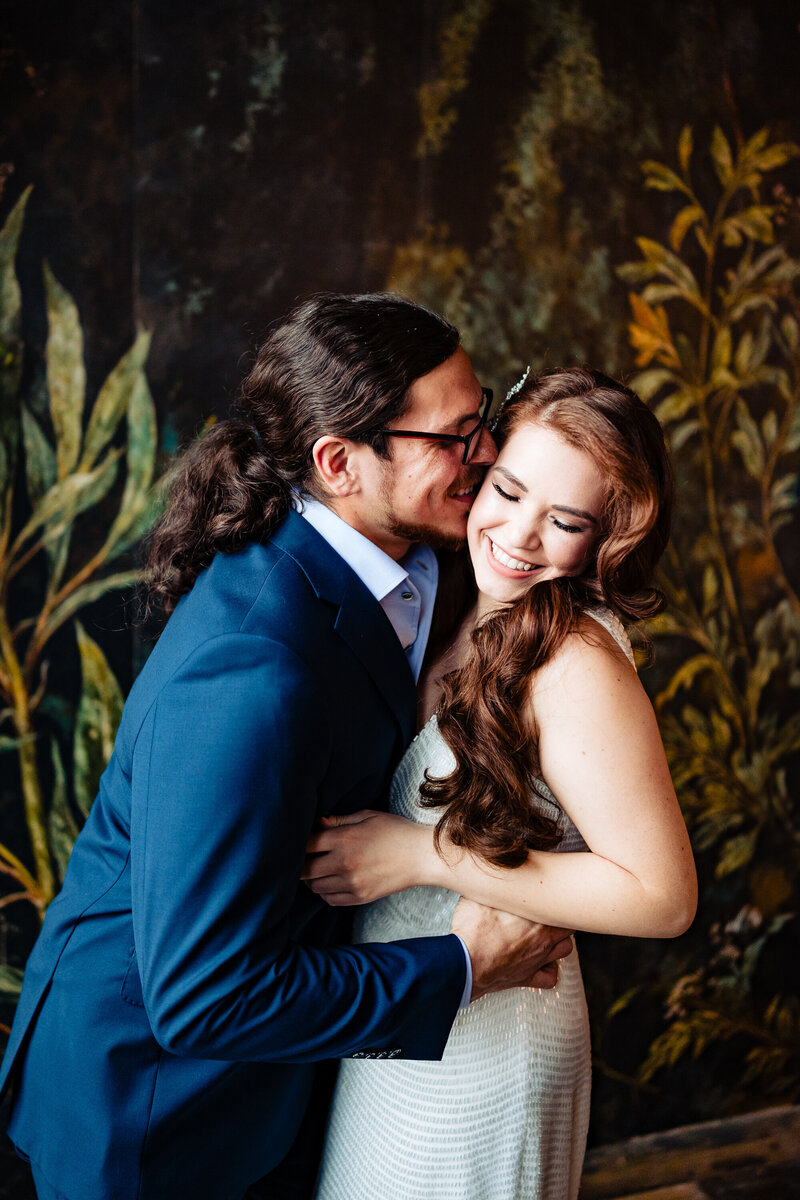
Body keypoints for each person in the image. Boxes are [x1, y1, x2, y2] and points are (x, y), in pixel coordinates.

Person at [0, 293, 575, 1200]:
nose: (490, 455)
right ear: (339, 462)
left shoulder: (427, 552)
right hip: (157, 1119)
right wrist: (465, 966)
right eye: (456, 438)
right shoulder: (251, 671)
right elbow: (202, 997)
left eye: (487, 419)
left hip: (293, 1086)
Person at [304, 367, 698, 1200]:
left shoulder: (575, 658)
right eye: (508, 491)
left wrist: (424, 855)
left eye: (564, 521)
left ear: (604, 539)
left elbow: (662, 896)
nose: (519, 535)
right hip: (403, 1026)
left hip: (490, 1051)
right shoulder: (459, 598)